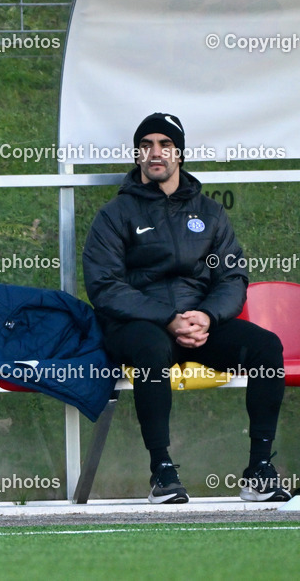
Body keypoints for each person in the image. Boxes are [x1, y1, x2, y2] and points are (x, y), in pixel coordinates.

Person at [82, 112, 290, 504]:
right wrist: (167, 318)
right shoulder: (115, 215)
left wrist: (207, 316)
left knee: (267, 348)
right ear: (138, 155)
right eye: (146, 146)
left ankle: (258, 471)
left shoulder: (209, 212)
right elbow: (104, 286)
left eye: (165, 145)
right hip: (141, 324)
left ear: (179, 154)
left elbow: (232, 277)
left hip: (200, 323)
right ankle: (161, 470)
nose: (155, 153)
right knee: (150, 348)